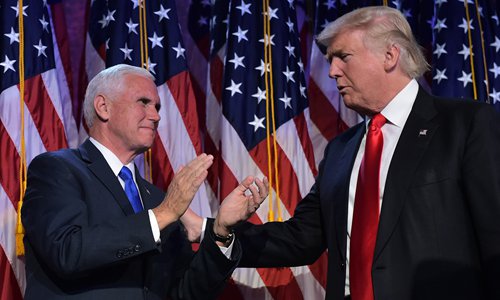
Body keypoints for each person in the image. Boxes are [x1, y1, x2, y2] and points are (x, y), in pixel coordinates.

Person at [183, 6, 500, 300]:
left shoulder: (466, 125)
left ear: (390, 55)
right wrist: (214, 230)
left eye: (343, 56)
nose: (332, 71)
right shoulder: (340, 150)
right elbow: (300, 239)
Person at [21, 64, 268, 299]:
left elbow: (185, 292)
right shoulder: (57, 169)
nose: (155, 116)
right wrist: (164, 214)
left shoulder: (157, 198)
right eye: (144, 102)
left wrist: (221, 232)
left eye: (158, 107)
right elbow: (67, 252)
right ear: (103, 107)